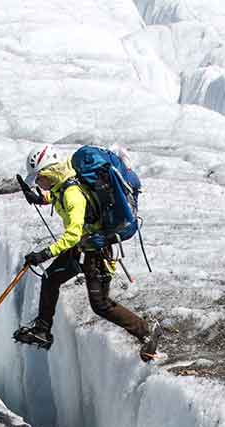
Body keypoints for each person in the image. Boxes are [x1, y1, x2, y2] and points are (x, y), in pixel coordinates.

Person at [14, 144, 160, 362]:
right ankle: (42, 330)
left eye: (39, 177)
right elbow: (63, 199)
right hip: (85, 243)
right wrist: (40, 199)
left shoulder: (71, 192)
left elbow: (72, 234)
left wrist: (44, 254)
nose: (38, 183)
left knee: (100, 304)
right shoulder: (64, 185)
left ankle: (146, 331)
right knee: (51, 277)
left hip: (95, 249)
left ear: (50, 171)